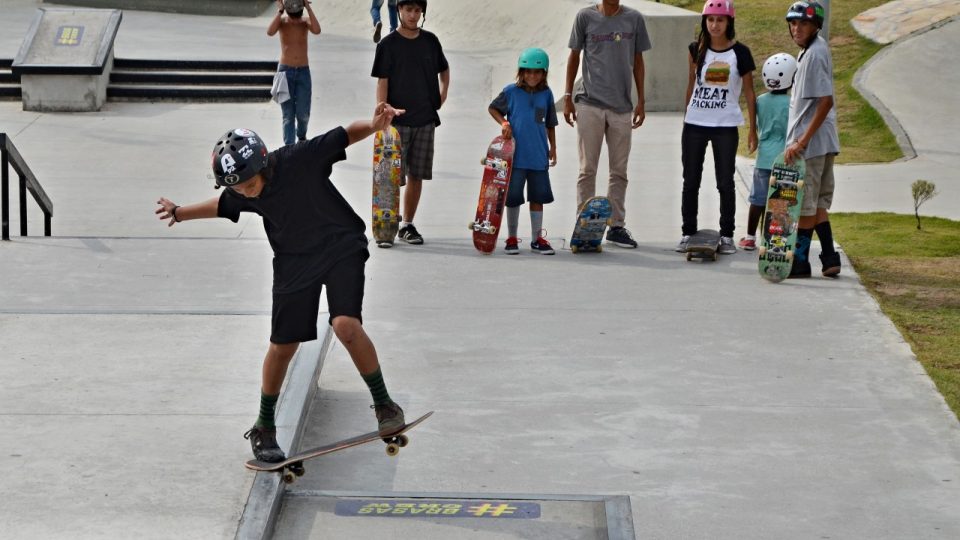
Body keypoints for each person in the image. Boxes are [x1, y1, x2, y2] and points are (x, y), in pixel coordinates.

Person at [154, 103, 408, 463]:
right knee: (282, 346)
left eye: (250, 185)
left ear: (262, 166)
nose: (246, 194)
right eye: (239, 189)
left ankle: (384, 404)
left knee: (345, 324)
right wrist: (180, 213)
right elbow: (222, 205)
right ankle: (264, 426)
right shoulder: (243, 191)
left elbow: (345, 135)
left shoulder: (299, 158)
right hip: (294, 263)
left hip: (340, 247)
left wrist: (374, 124)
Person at [563, 0, 651, 249]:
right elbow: (574, 56)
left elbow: (639, 60)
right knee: (587, 168)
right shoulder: (585, 17)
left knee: (619, 171)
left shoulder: (634, 18)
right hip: (589, 103)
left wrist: (641, 100)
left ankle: (616, 226)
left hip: (622, 107)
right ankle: (584, 223)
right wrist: (568, 97)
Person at [676, 0, 757, 255]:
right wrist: (686, 115)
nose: (714, 25)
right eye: (710, 19)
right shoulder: (696, 49)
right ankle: (688, 232)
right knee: (690, 181)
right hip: (695, 124)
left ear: (729, 22)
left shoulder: (740, 53)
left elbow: (750, 93)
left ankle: (727, 235)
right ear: (705, 22)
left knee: (725, 182)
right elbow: (691, 84)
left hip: (725, 126)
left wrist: (753, 129)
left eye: (720, 20)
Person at [371, 0, 449, 245]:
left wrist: (442, 95)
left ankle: (407, 225)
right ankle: (387, 224)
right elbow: (382, 80)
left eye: (417, 10)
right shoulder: (387, 44)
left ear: (422, 12)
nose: (413, 15)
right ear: (399, 11)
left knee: (417, 174)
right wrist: (384, 110)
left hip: (425, 119)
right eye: (408, 10)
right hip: (397, 120)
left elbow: (444, 70)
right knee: (390, 175)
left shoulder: (430, 41)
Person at [783, 0, 841, 278]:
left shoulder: (815, 54)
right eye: (793, 23)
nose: (797, 28)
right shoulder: (812, 51)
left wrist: (800, 142)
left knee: (806, 205)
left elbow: (825, 102)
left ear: (816, 25)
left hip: (812, 144)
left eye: (803, 23)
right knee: (817, 204)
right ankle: (830, 258)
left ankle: (800, 262)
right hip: (823, 141)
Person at [488, 48, 559, 255]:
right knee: (513, 198)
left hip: (538, 156)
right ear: (521, 71)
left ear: (544, 73)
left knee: (537, 198)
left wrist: (552, 147)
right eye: (527, 71)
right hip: (515, 157)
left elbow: (550, 124)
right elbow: (493, 108)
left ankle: (537, 239)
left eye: (537, 72)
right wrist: (504, 122)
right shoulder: (511, 91)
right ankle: (511, 238)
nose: (532, 76)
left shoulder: (547, 94)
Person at [739, 52, 796, 251]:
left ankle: (749, 237)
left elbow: (756, 125)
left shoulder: (760, 100)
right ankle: (773, 238)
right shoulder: (792, 103)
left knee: (758, 200)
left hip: (764, 157)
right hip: (784, 159)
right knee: (779, 202)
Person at [267, 0, 321, 146]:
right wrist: (279, 11)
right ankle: (289, 147)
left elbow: (317, 30)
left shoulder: (305, 22)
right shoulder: (283, 22)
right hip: (285, 72)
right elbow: (270, 31)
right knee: (288, 115)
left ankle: (301, 137)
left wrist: (308, 8)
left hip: (303, 71)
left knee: (303, 113)